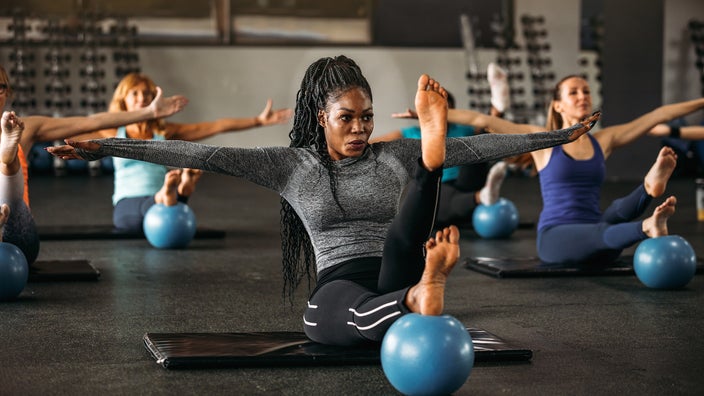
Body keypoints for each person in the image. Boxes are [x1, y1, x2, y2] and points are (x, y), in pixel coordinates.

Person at [48, 55, 599, 346]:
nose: (359, 129)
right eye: (346, 119)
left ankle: (431, 167)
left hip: (396, 256)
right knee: (331, 318)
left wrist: (558, 136)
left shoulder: (390, 155)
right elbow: (204, 157)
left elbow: (482, 144)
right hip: (356, 281)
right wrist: (102, 146)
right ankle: (417, 297)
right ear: (321, 118)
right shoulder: (293, 165)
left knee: (424, 181)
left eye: (367, 118)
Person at [420, 74, 704, 265]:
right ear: (558, 105)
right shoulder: (543, 141)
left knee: (615, 213)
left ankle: (648, 187)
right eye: (574, 92)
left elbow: (658, 115)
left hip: (598, 230)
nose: (583, 96)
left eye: (586, 91)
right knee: (606, 231)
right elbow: (480, 118)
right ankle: (646, 225)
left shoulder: (604, 140)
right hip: (558, 238)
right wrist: (434, 112)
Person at [0, 64, 188, 266]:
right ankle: (6, 162)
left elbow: (91, 122)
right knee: (9, 168)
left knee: (12, 195)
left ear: (7, 92)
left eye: (0, 87)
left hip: (17, 238)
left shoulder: (24, 128)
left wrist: (150, 112)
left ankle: (7, 160)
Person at [70, 72, 293, 232]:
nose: (142, 98)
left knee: (168, 207)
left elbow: (215, 126)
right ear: (123, 101)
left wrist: (258, 121)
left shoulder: (164, 131)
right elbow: (79, 126)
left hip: (163, 207)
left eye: (147, 94)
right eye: (134, 94)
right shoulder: (112, 130)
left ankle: (172, 193)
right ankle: (176, 192)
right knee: (151, 210)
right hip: (128, 204)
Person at [372, 63, 511, 228]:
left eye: (446, 111)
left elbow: (489, 127)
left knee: (479, 140)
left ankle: (498, 105)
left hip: (467, 181)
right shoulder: (412, 133)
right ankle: (483, 196)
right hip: (439, 186)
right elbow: (375, 144)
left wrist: (495, 114)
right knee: (434, 197)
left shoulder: (464, 129)